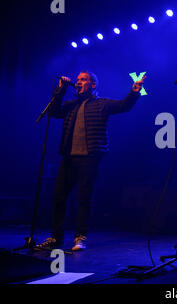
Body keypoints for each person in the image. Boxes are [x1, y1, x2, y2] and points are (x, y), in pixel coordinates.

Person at [36, 71, 146, 251]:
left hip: (90, 157)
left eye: (83, 80)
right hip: (69, 157)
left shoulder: (101, 104)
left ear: (93, 84)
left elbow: (124, 105)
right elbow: (54, 111)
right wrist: (61, 90)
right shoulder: (71, 105)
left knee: (83, 197)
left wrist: (134, 91)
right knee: (58, 197)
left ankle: (80, 237)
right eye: (77, 80)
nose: (79, 82)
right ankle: (56, 238)